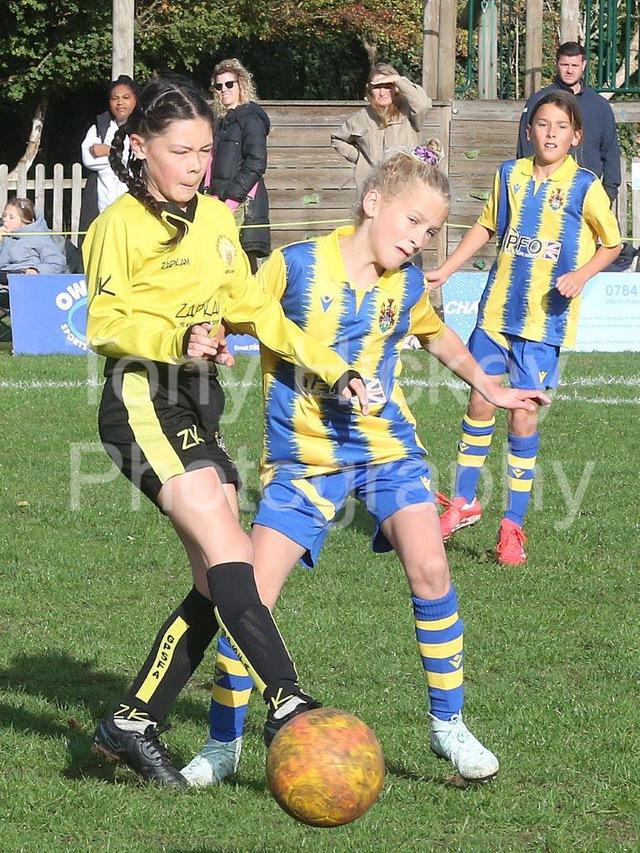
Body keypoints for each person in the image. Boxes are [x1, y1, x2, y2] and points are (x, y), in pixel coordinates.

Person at [180, 145, 551, 788]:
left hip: (388, 452)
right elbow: (238, 313)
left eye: (431, 232)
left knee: (431, 566)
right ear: (373, 203)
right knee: (251, 599)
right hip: (303, 460)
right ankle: (222, 743)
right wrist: (211, 338)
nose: (419, 240)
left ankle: (448, 725)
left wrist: (489, 387)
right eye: (413, 222)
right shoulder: (296, 265)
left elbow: (435, 333)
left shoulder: (405, 285)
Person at [83, 75, 369, 787]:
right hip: (143, 399)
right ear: (141, 147)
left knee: (216, 581)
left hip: (199, 403)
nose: (195, 165)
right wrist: (179, 338)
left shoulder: (216, 218)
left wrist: (330, 366)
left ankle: (132, 720)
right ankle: (286, 697)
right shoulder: (117, 225)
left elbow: (253, 308)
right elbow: (103, 324)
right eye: (180, 151)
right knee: (230, 551)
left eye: (205, 151)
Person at [427, 91, 622, 566]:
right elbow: (486, 227)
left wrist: (580, 275)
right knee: (480, 397)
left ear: (576, 137)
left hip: (543, 321)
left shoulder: (585, 186)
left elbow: (612, 243)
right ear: (529, 130)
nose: (551, 133)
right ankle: (463, 501)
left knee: (522, 415)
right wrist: (447, 269)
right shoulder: (509, 174)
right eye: (543, 124)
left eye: (561, 127)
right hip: (496, 312)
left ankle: (512, 525)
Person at [516, 42, 621, 202]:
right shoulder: (540, 102)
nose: (570, 70)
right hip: (546, 192)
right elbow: (525, 147)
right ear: (556, 64)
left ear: (583, 65)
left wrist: (609, 192)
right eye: (564, 65)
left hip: (589, 193)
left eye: (574, 65)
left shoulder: (599, 106)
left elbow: (610, 150)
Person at [205, 58, 270, 274]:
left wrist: (232, 199)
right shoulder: (220, 122)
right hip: (217, 201)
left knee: (243, 266)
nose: (223, 90)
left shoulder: (251, 119)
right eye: (219, 86)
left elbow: (256, 162)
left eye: (229, 84)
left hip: (243, 204)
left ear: (241, 84)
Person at [331, 63, 432, 195]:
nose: (382, 92)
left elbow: (423, 104)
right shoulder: (361, 117)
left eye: (387, 86)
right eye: (377, 87)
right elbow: (337, 139)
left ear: (395, 88)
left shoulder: (408, 110)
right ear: (369, 89)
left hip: (406, 186)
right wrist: (359, 159)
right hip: (372, 187)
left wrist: (398, 80)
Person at [79, 74, 139, 234]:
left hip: (135, 204)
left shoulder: (144, 128)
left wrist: (108, 151)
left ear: (135, 100)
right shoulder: (99, 128)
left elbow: (141, 158)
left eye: (126, 97)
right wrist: (120, 156)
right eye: (115, 98)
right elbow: (89, 160)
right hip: (102, 205)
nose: (120, 103)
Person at [0, 197, 67, 284]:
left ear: (25, 221)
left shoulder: (38, 238)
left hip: (24, 281)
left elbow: (57, 262)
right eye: (4, 215)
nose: (5, 220)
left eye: (11, 217)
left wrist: (36, 270)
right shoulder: (5, 237)